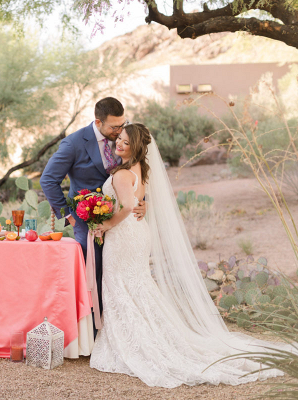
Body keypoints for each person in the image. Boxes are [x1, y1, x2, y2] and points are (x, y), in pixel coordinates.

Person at [89, 123, 284, 387]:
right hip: (136, 233)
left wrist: (107, 224)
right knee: (136, 284)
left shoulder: (123, 174)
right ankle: (151, 334)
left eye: (124, 141)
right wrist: (134, 210)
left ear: (136, 145)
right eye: (118, 140)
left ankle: (135, 341)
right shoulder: (141, 170)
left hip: (124, 235)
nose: (119, 144)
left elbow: (125, 207)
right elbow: (137, 202)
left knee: (120, 284)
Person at [40, 97, 145, 329]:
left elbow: (137, 170)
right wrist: (68, 215)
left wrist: (141, 200)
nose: (119, 131)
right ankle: (92, 333)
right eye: (114, 127)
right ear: (98, 122)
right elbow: (48, 179)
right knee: (93, 275)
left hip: (122, 223)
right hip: (88, 222)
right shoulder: (74, 143)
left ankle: (120, 328)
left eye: (122, 124)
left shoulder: (123, 138)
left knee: (118, 277)